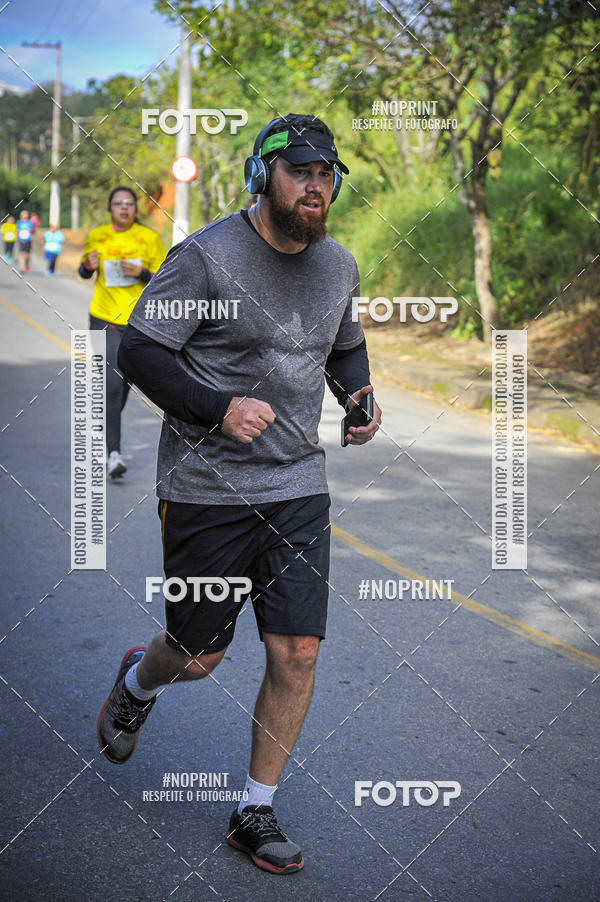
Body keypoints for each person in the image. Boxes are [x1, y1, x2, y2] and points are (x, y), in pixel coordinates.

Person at [97, 114, 381, 874]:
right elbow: (140, 351)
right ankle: (139, 680)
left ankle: (255, 807)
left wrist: (358, 395)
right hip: (207, 490)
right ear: (263, 177)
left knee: (298, 652)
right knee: (198, 656)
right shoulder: (205, 257)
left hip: (298, 486)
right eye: (300, 172)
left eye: (326, 174)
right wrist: (217, 408)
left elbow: (344, 344)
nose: (316, 186)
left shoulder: (338, 265)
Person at [78, 186, 166, 479]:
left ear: (136, 209)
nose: (124, 207)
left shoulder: (150, 238)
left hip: (139, 323)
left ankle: (103, 426)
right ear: (110, 208)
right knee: (113, 384)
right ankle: (113, 455)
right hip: (102, 318)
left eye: (129, 203)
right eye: (118, 203)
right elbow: (85, 271)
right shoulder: (98, 235)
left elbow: (163, 281)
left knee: (123, 384)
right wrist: (85, 266)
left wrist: (140, 273)